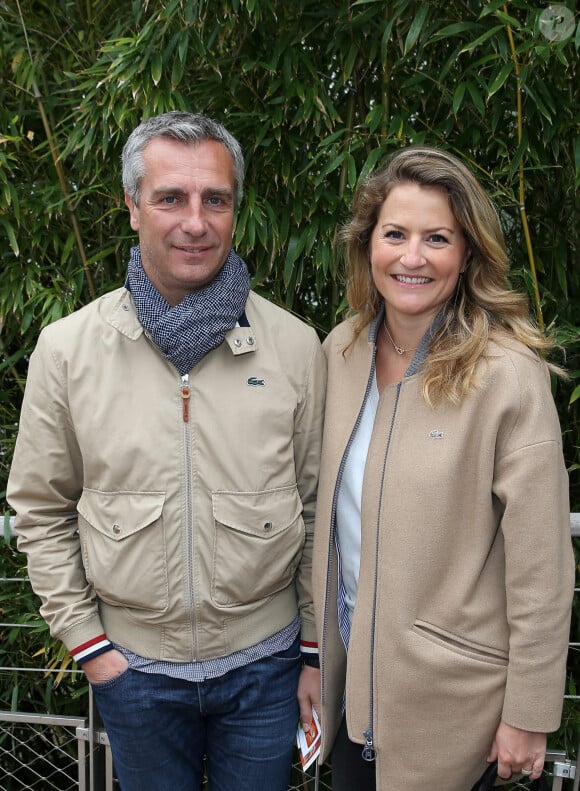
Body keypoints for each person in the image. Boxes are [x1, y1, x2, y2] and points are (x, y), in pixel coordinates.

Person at [7, 111, 325, 791]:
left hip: (266, 668)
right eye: (170, 198)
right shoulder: (67, 350)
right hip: (134, 669)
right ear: (132, 207)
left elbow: (317, 505)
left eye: (215, 198)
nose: (196, 221)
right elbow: (39, 508)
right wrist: (89, 648)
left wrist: (313, 654)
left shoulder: (296, 346)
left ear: (236, 208)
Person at [311, 146, 574, 791]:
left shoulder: (507, 374)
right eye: (395, 234)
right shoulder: (339, 352)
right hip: (354, 703)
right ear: (367, 243)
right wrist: (313, 661)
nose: (412, 257)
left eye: (437, 238)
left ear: (467, 253)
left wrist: (530, 713)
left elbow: (541, 560)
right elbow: (322, 526)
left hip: (466, 716)